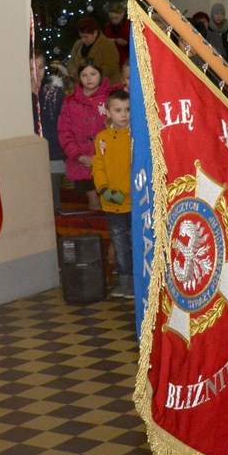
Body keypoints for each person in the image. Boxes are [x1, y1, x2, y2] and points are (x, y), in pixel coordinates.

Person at [58, 59, 118, 211]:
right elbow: (64, 132)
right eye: (84, 75)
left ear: (100, 76)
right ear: (79, 78)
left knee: (113, 199)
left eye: (93, 74)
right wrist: (77, 155)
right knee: (93, 201)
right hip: (82, 162)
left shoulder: (110, 98)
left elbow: (119, 128)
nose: (89, 78)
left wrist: (102, 155)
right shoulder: (70, 102)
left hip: (108, 160)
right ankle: (95, 227)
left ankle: (115, 227)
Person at [92, 89, 133, 298]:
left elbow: (137, 168)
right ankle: (124, 280)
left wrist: (129, 191)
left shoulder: (136, 137)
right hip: (111, 203)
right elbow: (98, 167)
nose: (123, 115)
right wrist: (104, 189)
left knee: (134, 241)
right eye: (118, 110)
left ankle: (138, 281)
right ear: (108, 112)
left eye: (127, 110)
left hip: (133, 202)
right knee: (119, 242)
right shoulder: (102, 139)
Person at [31, 51, 66, 211]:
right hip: (30, 155)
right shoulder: (19, 95)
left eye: (40, 67)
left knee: (51, 200)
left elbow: (62, 124)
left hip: (53, 153)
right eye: (31, 68)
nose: (36, 73)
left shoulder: (53, 93)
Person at [66, 16, 122, 84]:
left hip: (106, 86)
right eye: (81, 37)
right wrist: (73, 71)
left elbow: (110, 67)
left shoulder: (108, 45)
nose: (83, 40)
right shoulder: (77, 44)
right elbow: (71, 62)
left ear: (95, 33)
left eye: (86, 37)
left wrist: (86, 73)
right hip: (83, 86)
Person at [103, 2, 130, 70]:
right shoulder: (107, 27)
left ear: (122, 14)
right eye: (112, 19)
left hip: (127, 60)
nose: (114, 21)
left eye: (116, 18)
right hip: (112, 59)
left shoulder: (129, 26)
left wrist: (127, 43)